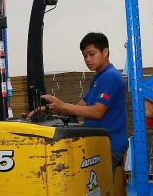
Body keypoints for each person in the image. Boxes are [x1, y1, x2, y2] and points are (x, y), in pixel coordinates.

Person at [38, 32, 128, 171]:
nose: (88, 59)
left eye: (91, 54)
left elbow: (97, 112)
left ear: (105, 52)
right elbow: (79, 108)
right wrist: (51, 109)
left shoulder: (111, 77)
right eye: (85, 56)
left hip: (108, 145)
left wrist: (62, 105)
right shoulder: (99, 78)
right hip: (97, 143)